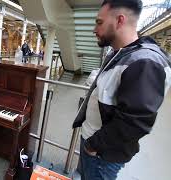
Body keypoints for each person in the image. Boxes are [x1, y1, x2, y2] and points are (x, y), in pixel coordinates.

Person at [73, 0, 171, 179]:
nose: (94, 29)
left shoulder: (145, 62)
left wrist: (93, 145)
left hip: (102, 155)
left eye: (99, 22)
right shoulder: (120, 54)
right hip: (95, 144)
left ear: (119, 20)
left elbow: (135, 122)